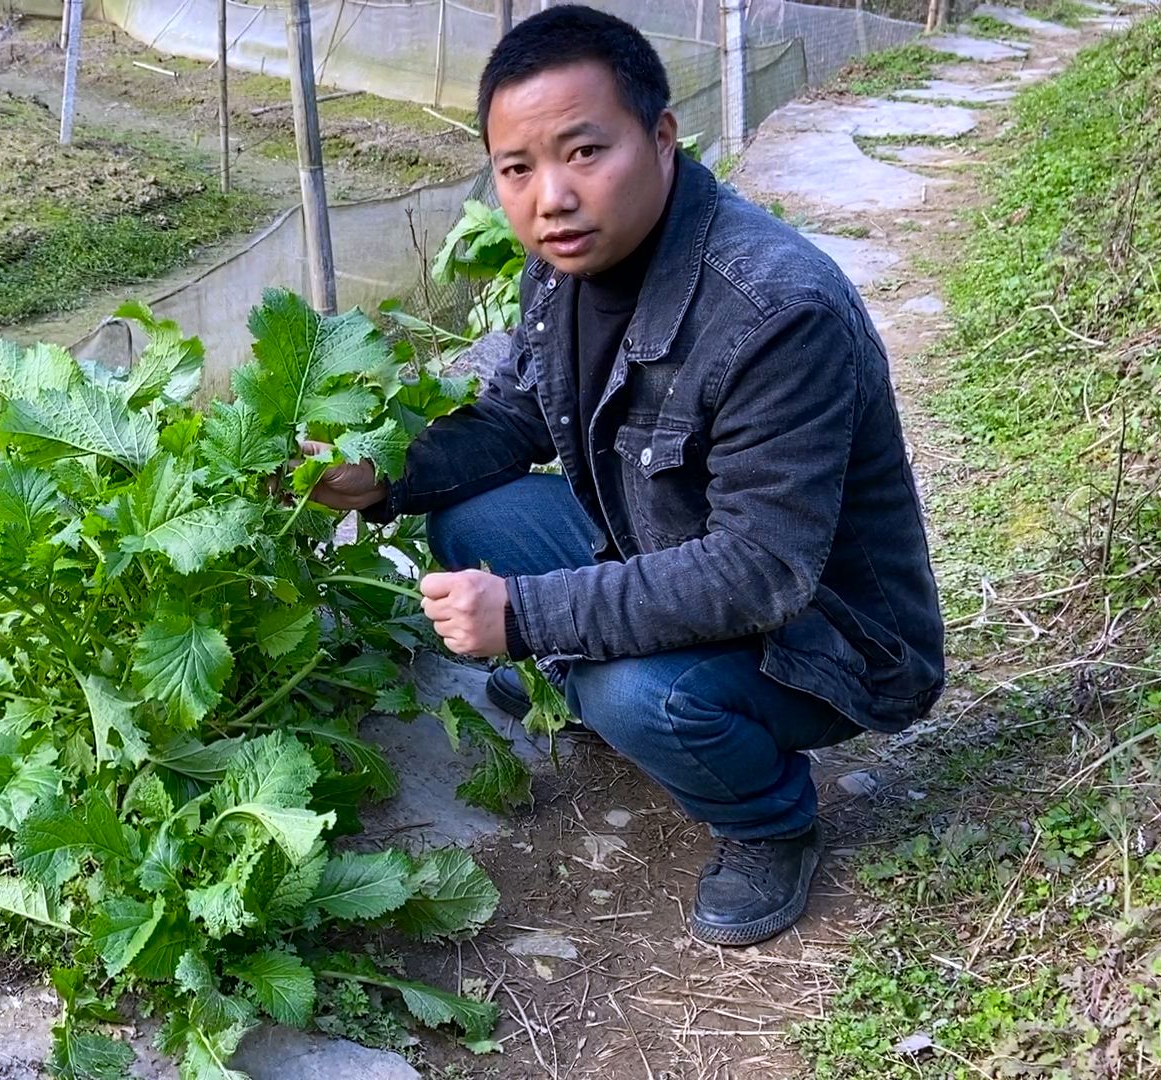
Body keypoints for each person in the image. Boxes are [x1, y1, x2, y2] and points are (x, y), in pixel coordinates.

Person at [305, 5, 945, 946]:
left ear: (661, 138)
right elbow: (515, 417)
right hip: (663, 550)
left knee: (643, 695)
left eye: (583, 152)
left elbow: (762, 570)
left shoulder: (777, 309)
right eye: (517, 170)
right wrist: (383, 476)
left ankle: (770, 821)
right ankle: (599, 673)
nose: (550, 198)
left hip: (829, 636)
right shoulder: (560, 271)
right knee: (470, 517)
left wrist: (526, 617)